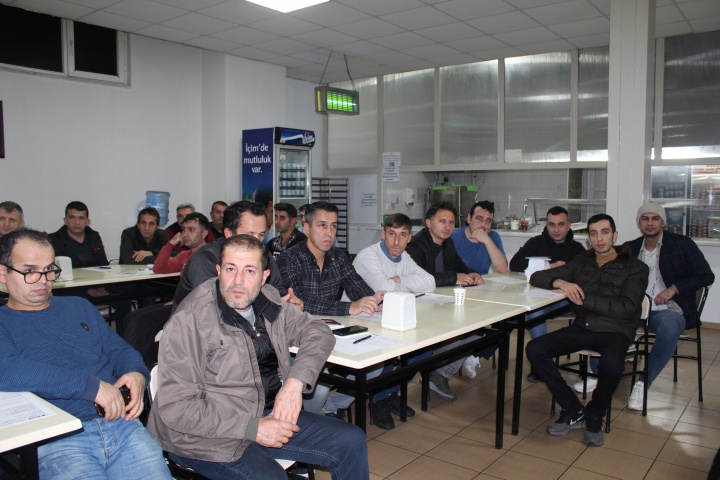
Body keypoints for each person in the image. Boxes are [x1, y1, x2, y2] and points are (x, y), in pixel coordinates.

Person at [147, 235, 369, 480]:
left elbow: (318, 332)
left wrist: (295, 383)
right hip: (202, 436)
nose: (238, 281)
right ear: (218, 271)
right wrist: (252, 428)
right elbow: (176, 409)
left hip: (263, 412)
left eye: (250, 271)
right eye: (230, 269)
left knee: (351, 441)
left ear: (264, 277)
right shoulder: (190, 321)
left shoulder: (267, 300)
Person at [0, 229, 172, 479]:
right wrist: (91, 387)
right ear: (3, 273)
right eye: (30, 271)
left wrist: (136, 373)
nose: (43, 280)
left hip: (121, 425)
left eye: (49, 269)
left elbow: (119, 350)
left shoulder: (79, 306)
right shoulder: (4, 322)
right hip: (58, 438)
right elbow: (9, 370)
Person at [525, 213, 648, 447]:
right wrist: (561, 282)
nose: (599, 239)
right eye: (594, 234)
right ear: (589, 239)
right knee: (535, 349)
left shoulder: (635, 267)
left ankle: (594, 414)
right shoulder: (581, 261)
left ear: (615, 235)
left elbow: (626, 307)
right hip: (584, 326)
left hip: (616, 330)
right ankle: (573, 409)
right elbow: (537, 277)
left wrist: (581, 297)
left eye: (605, 232)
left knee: (612, 364)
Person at [278, 201, 384, 418]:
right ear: (306, 227)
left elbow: (355, 284)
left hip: (333, 332)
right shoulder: (289, 258)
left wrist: (373, 299)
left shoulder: (338, 256)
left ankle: (330, 409)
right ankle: (315, 422)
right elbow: (302, 301)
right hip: (298, 337)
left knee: (376, 364)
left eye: (333, 226)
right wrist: (350, 307)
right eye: (322, 226)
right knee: (320, 385)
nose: (329, 233)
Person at [621, 203, 714, 409]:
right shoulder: (630, 248)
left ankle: (643, 384)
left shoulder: (682, 244)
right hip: (635, 310)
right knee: (606, 319)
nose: (650, 223)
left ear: (663, 222)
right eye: (645, 218)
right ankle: (599, 374)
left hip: (669, 310)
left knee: (670, 326)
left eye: (655, 218)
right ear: (639, 223)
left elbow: (706, 276)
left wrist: (674, 289)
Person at [352, 213, 434, 429]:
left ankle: (388, 392)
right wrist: (405, 284)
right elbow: (385, 289)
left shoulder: (404, 257)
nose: (396, 241)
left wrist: (399, 280)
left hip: (386, 319)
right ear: (383, 234)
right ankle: (378, 399)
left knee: (424, 348)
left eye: (402, 235)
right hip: (358, 321)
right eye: (391, 234)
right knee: (389, 352)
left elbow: (430, 282)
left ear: (410, 238)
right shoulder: (368, 256)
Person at [405, 202, 484, 401]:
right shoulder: (415, 245)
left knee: (478, 329)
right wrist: (453, 277)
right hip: (421, 308)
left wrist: (472, 273)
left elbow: (459, 266)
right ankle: (432, 367)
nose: (447, 226)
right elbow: (420, 279)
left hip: (442, 303)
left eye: (451, 222)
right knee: (463, 330)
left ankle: (439, 373)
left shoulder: (448, 243)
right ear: (428, 223)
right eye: (442, 221)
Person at [509, 206, 586, 382]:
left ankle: (541, 364)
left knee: (533, 313)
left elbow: (586, 275)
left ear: (569, 225)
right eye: (552, 225)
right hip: (538, 296)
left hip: (564, 300)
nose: (556, 229)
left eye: (561, 224)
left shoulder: (577, 248)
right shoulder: (536, 243)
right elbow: (514, 265)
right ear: (547, 225)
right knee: (533, 312)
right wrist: (547, 267)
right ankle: (543, 364)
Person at [172, 200, 289, 310]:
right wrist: (270, 304)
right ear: (229, 234)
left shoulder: (262, 253)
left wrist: (288, 303)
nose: (257, 241)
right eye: (250, 235)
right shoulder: (205, 258)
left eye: (261, 234)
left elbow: (278, 291)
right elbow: (215, 306)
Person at [451, 200, 508, 275]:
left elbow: (502, 269)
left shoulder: (493, 236)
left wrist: (487, 241)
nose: (484, 224)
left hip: (481, 281)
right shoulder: (453, 236)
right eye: (479, 218)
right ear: (469, 218)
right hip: (457, 280)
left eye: (488, 221)